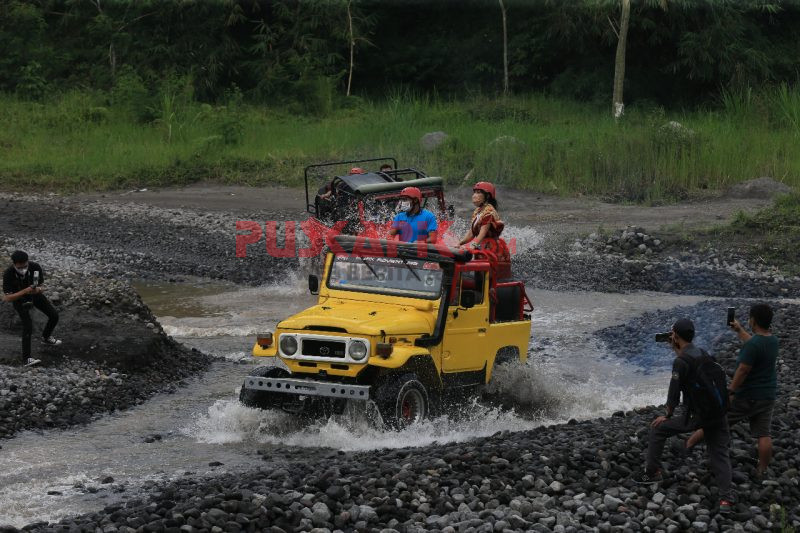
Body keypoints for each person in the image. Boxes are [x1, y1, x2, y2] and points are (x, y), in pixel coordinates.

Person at [634, 318, 734, 514]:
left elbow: (674, 393)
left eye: (672, 335)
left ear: (676, 337)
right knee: (719, 454)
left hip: (698, 416)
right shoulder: (703, 353)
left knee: (658, 428)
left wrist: (667, 414)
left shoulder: (680, 362)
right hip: (718, 412)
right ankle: (726, 499)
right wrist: (676, 348)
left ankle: (652, 472)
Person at [686, 304, 778, 478]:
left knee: (717, 420)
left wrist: (731, 391)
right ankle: (762, 469)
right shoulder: (772, 340)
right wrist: (739, 330)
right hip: (767, 395)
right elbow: (755, 344)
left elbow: (743, 370)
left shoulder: (752, 346)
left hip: (747, 396)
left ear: (753, 320)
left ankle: (689, 445)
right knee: (764, 434)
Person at [2, 250, 61, 365]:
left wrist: (38, 290)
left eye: (25, 266)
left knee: (54, 315)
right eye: (20, 267)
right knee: (28, 325)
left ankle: (46, 337)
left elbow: (41, 285)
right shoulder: (8, 274)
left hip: (35, 295)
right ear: (14, 264)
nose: (23, 269)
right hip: (19, 299)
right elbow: (8, 298)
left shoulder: (35, 267)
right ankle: (26, 358)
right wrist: (25, 291)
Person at [458, 182, 507, 259]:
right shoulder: (477, 211)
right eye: (474, 192)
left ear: (487, 196)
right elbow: (471, 233)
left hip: (491, 249)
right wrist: (459, 243)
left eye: (478, 193)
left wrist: (471, 247)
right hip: (481, 247)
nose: (474, 195)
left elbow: (482, 234)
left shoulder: (489, 211)